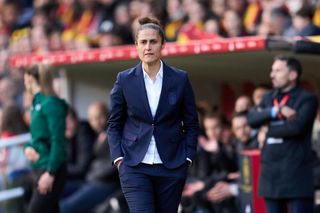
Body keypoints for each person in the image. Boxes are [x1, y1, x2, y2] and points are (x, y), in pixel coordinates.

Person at [107, 16, 199, 213]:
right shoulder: (124, 80)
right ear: (137, 46)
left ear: (163, 45)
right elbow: (114, 124)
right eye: (143, 42)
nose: (148, 47)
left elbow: (192, 123)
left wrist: (188, 157)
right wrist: (118, 159)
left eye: (153, 41)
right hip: (134, 165)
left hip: (172, 166)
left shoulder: (180, 79)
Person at [247, 55, 318, 213]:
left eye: (278, 70)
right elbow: (251, 119)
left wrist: (266, 130)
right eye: (272, 70)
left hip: (296, 176)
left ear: (293, 75)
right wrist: (275, 111)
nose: (272, 75)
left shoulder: (307, 99)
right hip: (270, 176)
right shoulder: (268, 98)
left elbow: (297, 128)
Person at [23, 64, 68, 213]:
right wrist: (28, 147)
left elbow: (58, 141)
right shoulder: (37, 102)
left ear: (30, 78)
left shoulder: (50, 104)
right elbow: (37, 136)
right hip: (39, 168)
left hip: (49, 169)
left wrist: (50, 173)